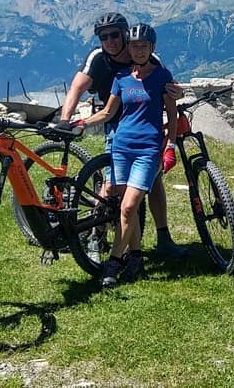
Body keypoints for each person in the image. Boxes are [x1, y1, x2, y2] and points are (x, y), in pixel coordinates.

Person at [60, 12, 187, 258]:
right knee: (111, 188)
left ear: (125, 35)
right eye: (104, 37)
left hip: (146, 131)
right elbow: (77, 87)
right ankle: (97, 238)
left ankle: (162, 238)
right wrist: (67, 120)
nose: (110, 41)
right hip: (116, 127)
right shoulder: (98, 58)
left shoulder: (147, 56)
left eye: (115, 35)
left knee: (154, 182)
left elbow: (168, 91)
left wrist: (177, 96)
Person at [82, 23, 177, 287]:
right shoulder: (121, 77)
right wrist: (82, 124)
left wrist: (170, 147)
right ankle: (135, 257)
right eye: (134, 46)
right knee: (127, 208)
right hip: (121, 148)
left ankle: (112, 264)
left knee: (127, 207)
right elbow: (108, 113)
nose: (138, 50)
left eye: (143, 46)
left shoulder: (162, 76)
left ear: (152, 48)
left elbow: (172, 115)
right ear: (130, 47)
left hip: (148, 150)